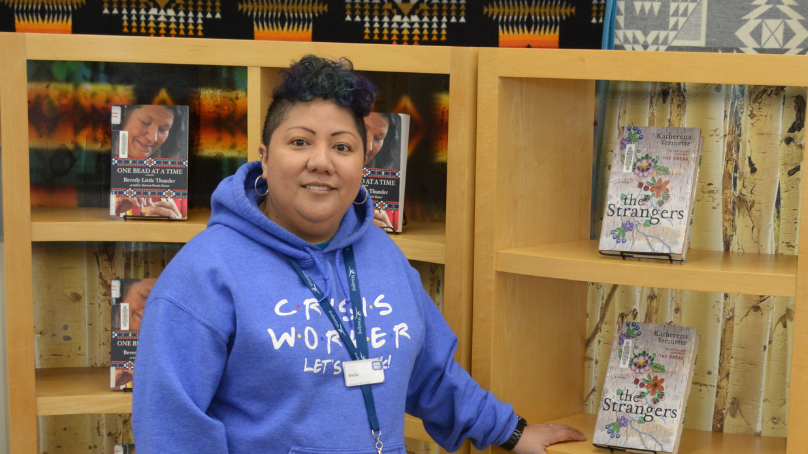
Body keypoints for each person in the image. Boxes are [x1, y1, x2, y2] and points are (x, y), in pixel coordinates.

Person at [132, 55, 585, 454]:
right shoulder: (203, 274)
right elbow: (172, 430)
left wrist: (509, 430)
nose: (322, 161)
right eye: (300, 142)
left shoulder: (382, 255)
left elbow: (431, 373)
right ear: (264, 158)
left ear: (362, 163)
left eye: (342, 146)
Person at [112, 104, 187, 218]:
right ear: (122, 118)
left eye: (163, 129)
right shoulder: (98, 174)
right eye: (145, 122)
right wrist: (111, 211)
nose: (153, 138)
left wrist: (178, 224)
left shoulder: (177, 183)